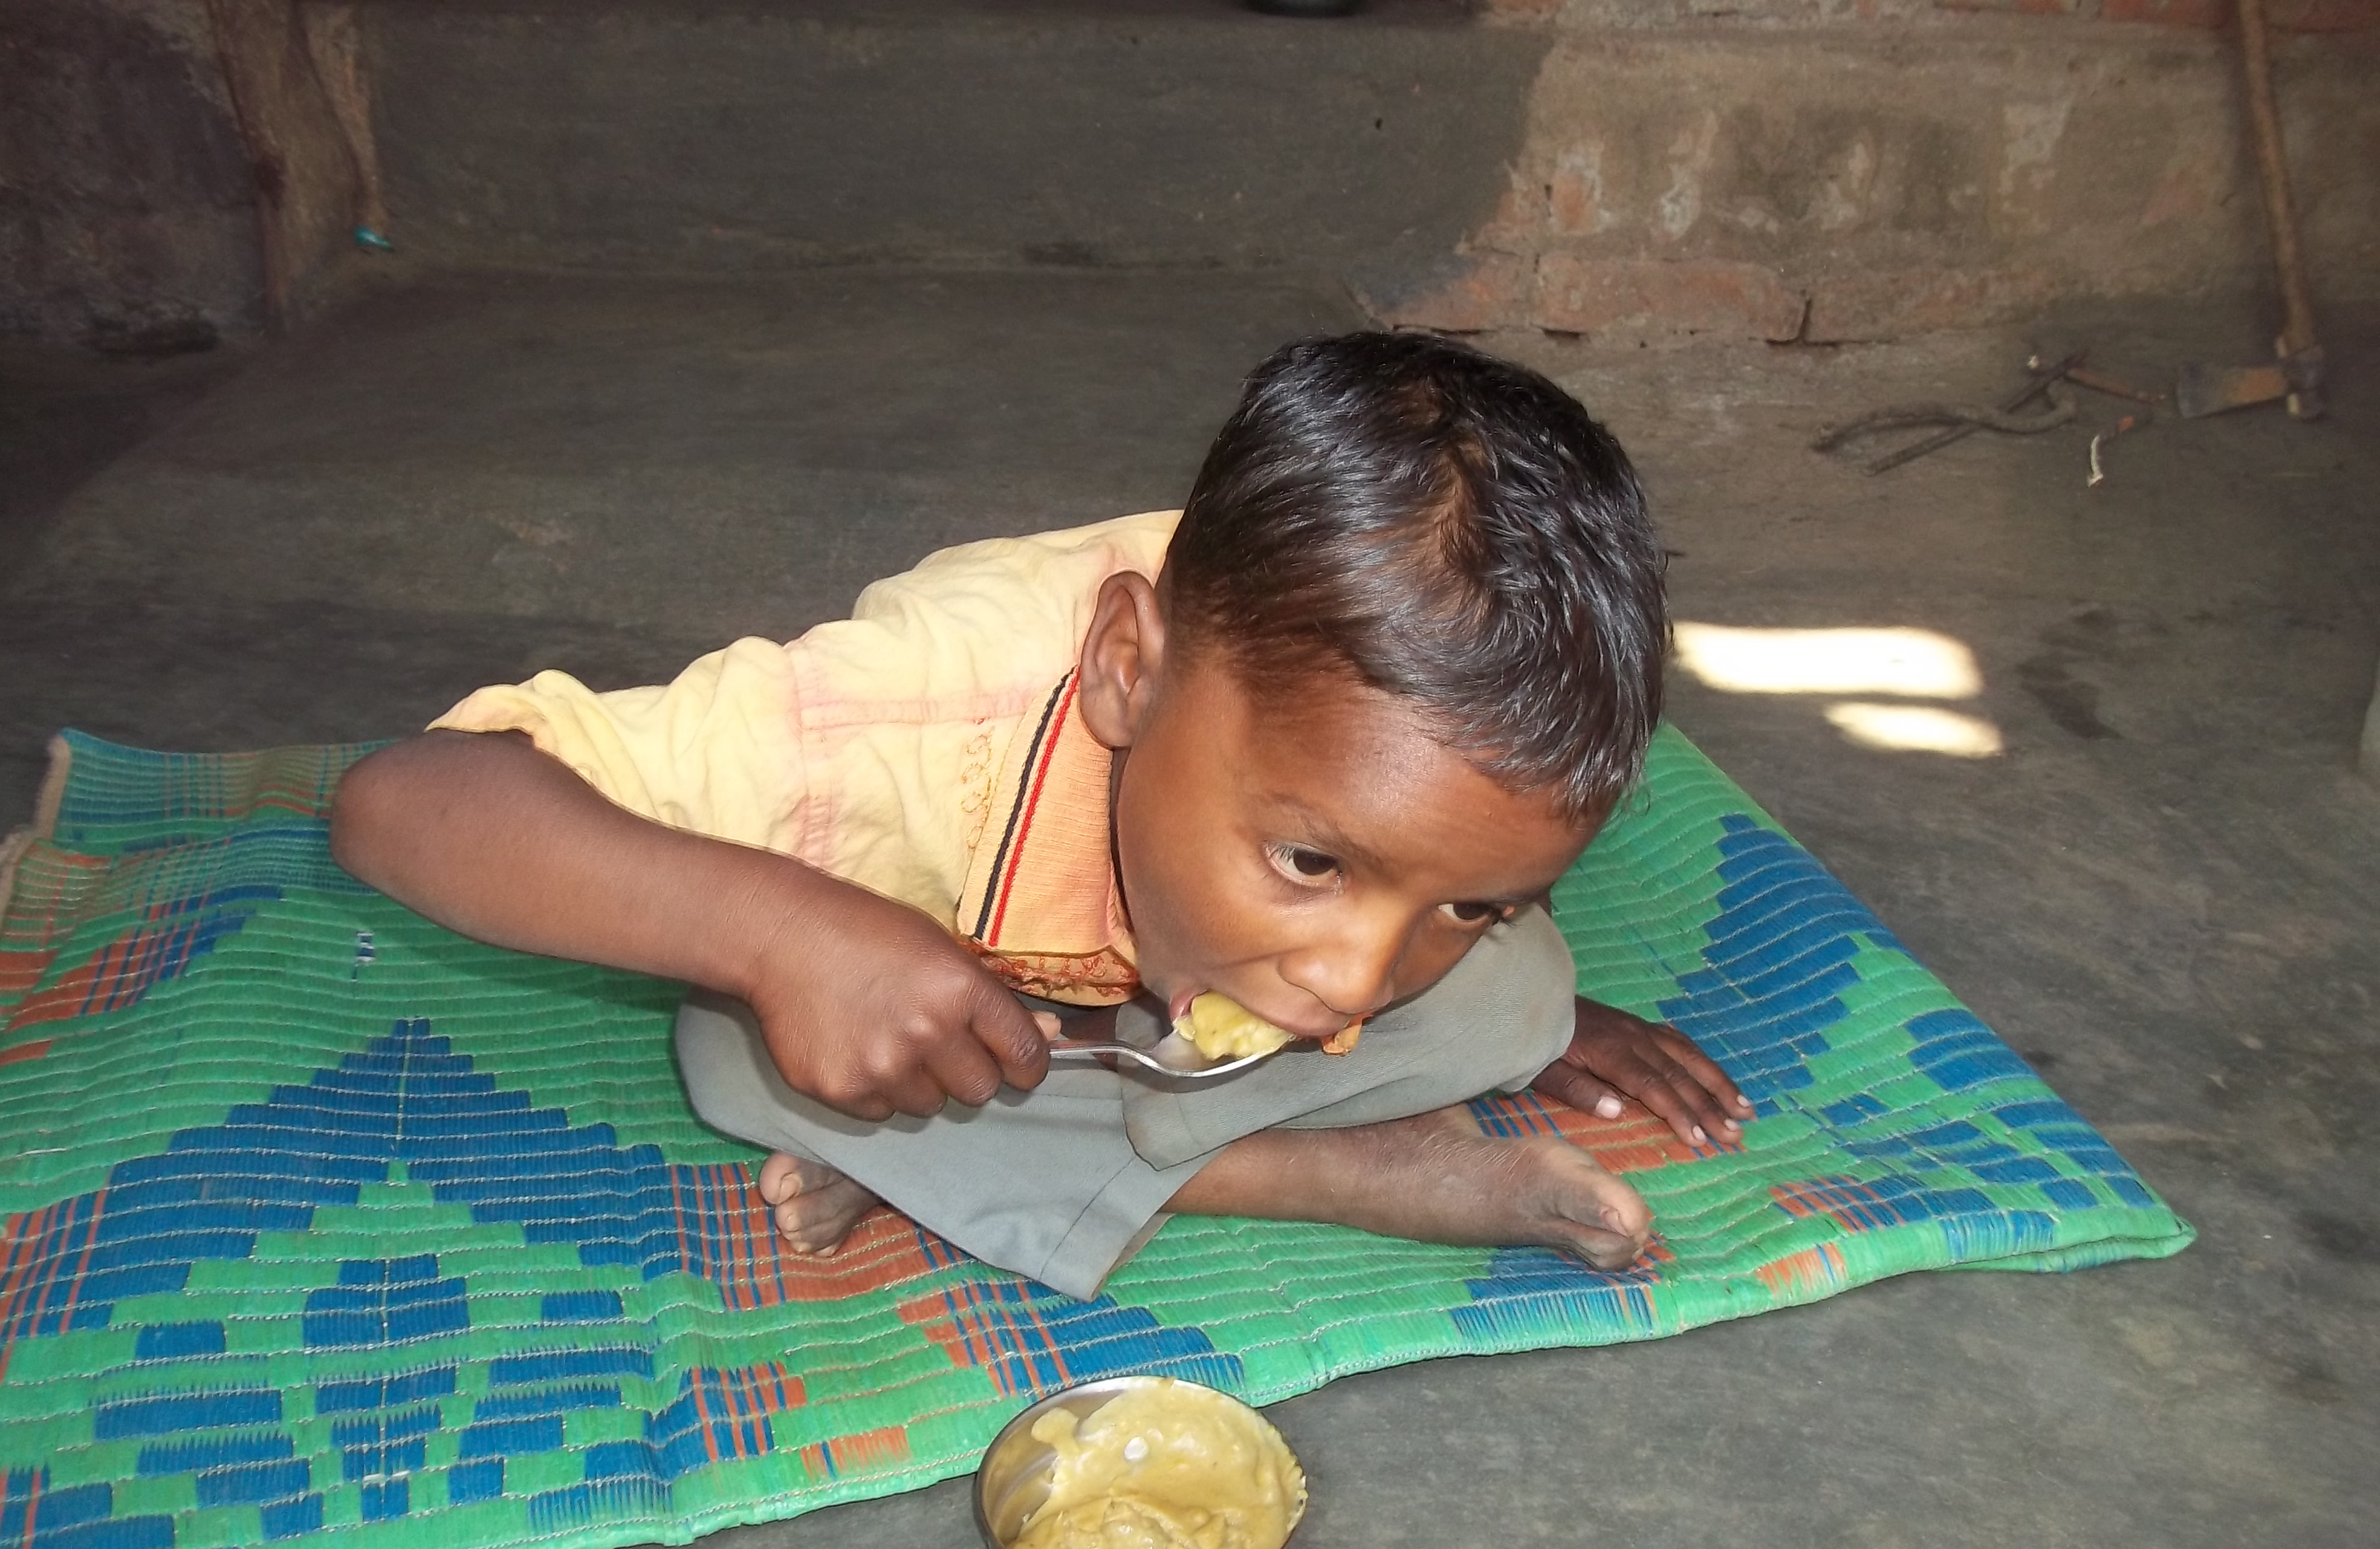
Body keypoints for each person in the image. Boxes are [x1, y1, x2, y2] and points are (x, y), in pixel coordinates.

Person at [331, 332, 1751, 1301]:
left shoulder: (1366, 773)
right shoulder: (886, 721)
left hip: (1095, 1029)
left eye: (1462, 900)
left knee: (1519, 1003)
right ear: (1127, 671)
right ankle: (1338, 1173)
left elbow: (1431, 870)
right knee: (735, 1054)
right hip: (909, 975)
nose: (1350, 990)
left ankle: (973, 1174)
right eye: (1309, 861)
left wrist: (1528, 984)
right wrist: (777, 936)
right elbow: (405, 801)